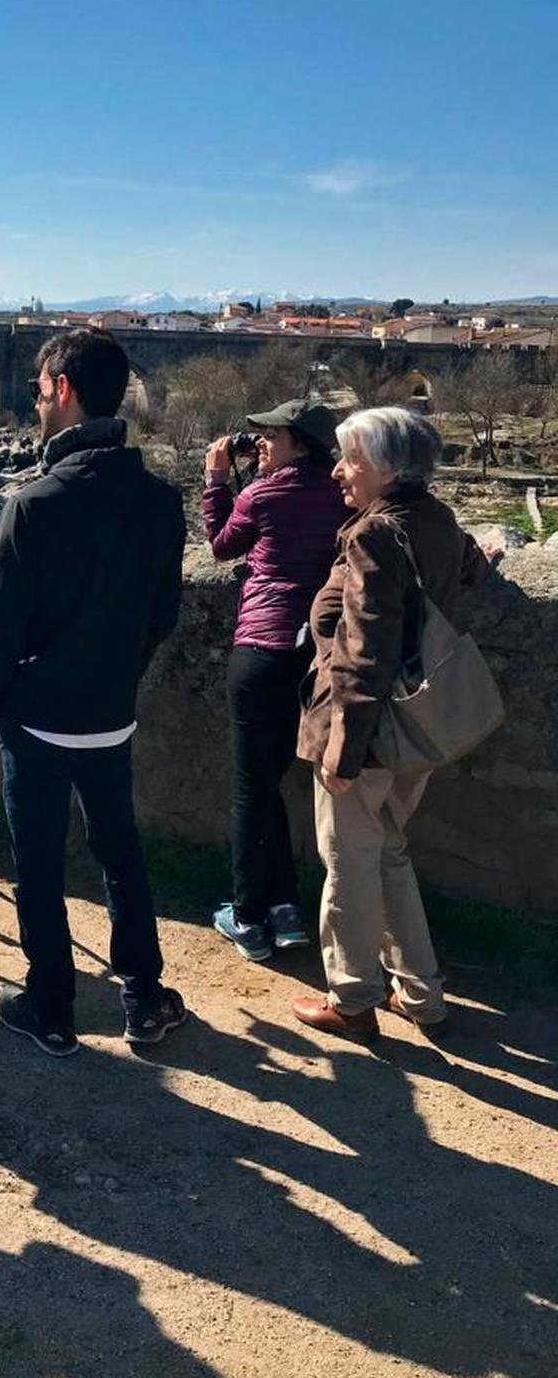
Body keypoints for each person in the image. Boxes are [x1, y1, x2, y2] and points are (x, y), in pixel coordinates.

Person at [0, 328, 187, 1057]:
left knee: (38, 861)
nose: (35, 402)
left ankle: (53, 1006)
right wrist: (121, 676)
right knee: (119, 851)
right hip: (110, 714)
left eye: (38, 390)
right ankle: (142, 997)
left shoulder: (34, 504)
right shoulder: (161, 501)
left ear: (62, 390)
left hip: (39, 717)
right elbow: (163, 615)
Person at [292, 406, 498, 1042]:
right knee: (390, 853)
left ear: (385, 467)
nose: (337, 472)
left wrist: (342, 751)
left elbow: (364, 650)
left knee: (348, 862)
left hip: (370, 734)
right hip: (419, 726)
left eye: (350, 459)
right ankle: (421, 993)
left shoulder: (373, 535)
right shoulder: (436, 519)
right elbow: (468, 569)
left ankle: (352, 1000)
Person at [202, 399, 347, 961]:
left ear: (301, 443)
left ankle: (246, 918)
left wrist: (217, 479)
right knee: (269, 782)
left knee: (250, 788)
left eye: (272, 435)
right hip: (314, 655)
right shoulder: (341, 493)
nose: (259, 442)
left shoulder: (262, 493)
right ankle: (285, 908)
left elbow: (219, 546)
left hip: (261, 647)